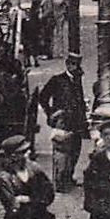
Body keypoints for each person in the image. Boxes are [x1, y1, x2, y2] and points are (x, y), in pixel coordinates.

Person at [38, 51, 89, 191]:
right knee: (61, 151)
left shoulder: (77, 80)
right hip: (62, 121)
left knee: (75, 151)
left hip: (76, 122)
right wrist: (51, 114)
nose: (75, 67)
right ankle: (60, 182)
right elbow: (43, 97)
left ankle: (68, 177)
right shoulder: (57, 80)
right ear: (67, 64)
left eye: (77, 65)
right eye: (72, 64)